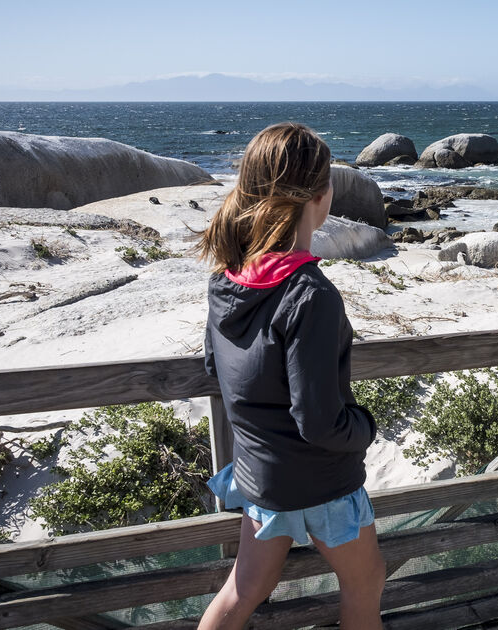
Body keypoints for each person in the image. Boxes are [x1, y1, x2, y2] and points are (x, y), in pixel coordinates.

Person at [195, 122, 384, 630]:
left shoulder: (225, 280)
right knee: (366, 584)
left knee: (241, 592)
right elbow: (320, 422)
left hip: (260, 480)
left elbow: (217, 369)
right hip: (324, 483)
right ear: (322, 197)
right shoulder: (310, 294)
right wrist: (367, 426)